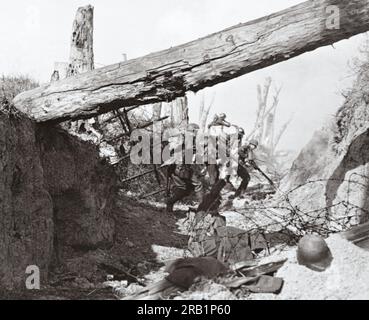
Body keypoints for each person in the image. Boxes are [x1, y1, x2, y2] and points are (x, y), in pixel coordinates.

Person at [164, 123, 205, 213]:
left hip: (175, 167)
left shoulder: (183, 138)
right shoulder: (186, 138)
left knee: (185, 189)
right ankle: (203, 209)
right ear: (193, 131)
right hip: (180, 167)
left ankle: (170, 202)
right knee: (198, 185)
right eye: (196, 132)